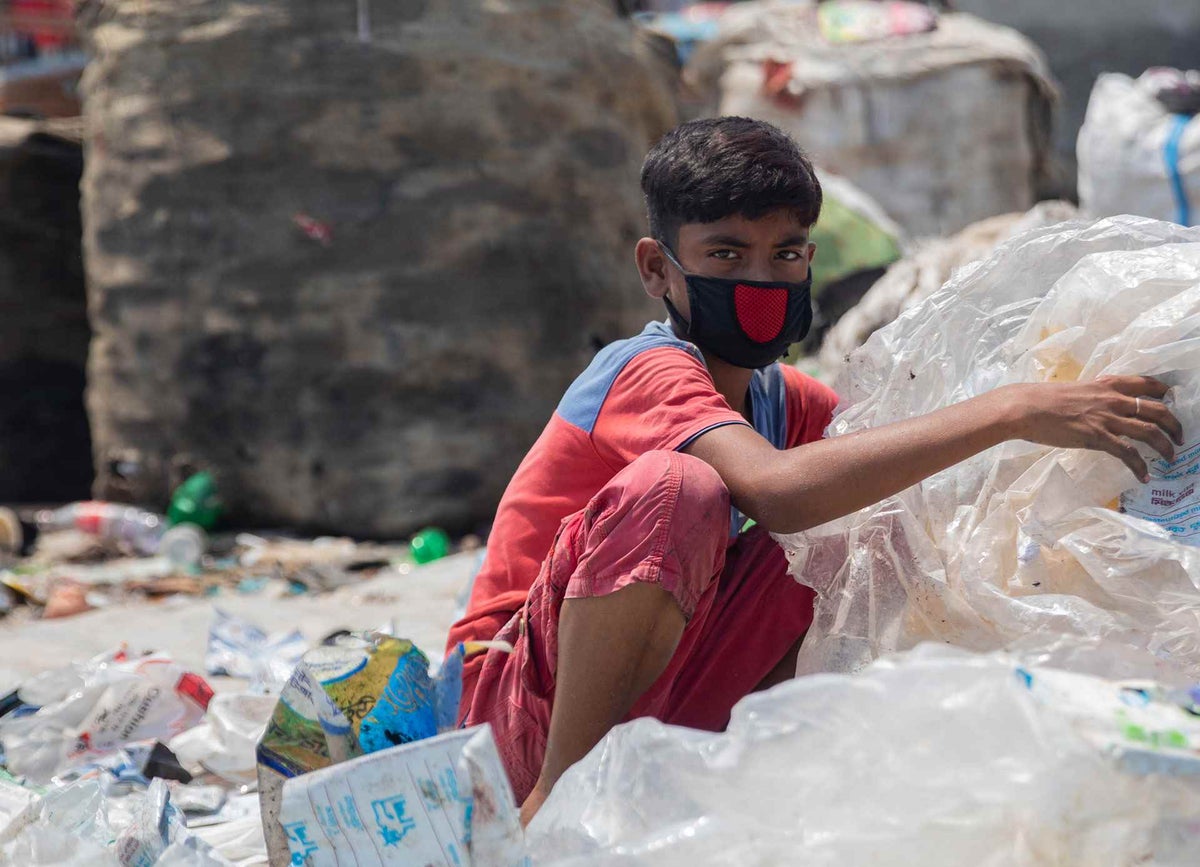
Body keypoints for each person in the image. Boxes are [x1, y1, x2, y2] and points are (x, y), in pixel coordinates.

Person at [445, 116, 1183, 825]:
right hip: (508, 713)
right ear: (655, 268)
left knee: (881, 518)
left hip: (655, 698)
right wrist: (1013, 407)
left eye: (786, 254)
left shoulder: (782, 398)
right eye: (726, 256)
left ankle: (746, 774)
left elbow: (899, 464)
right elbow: (778, 491)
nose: (761, 280)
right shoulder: (644, 371)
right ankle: (553, 808)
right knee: (679, 489)